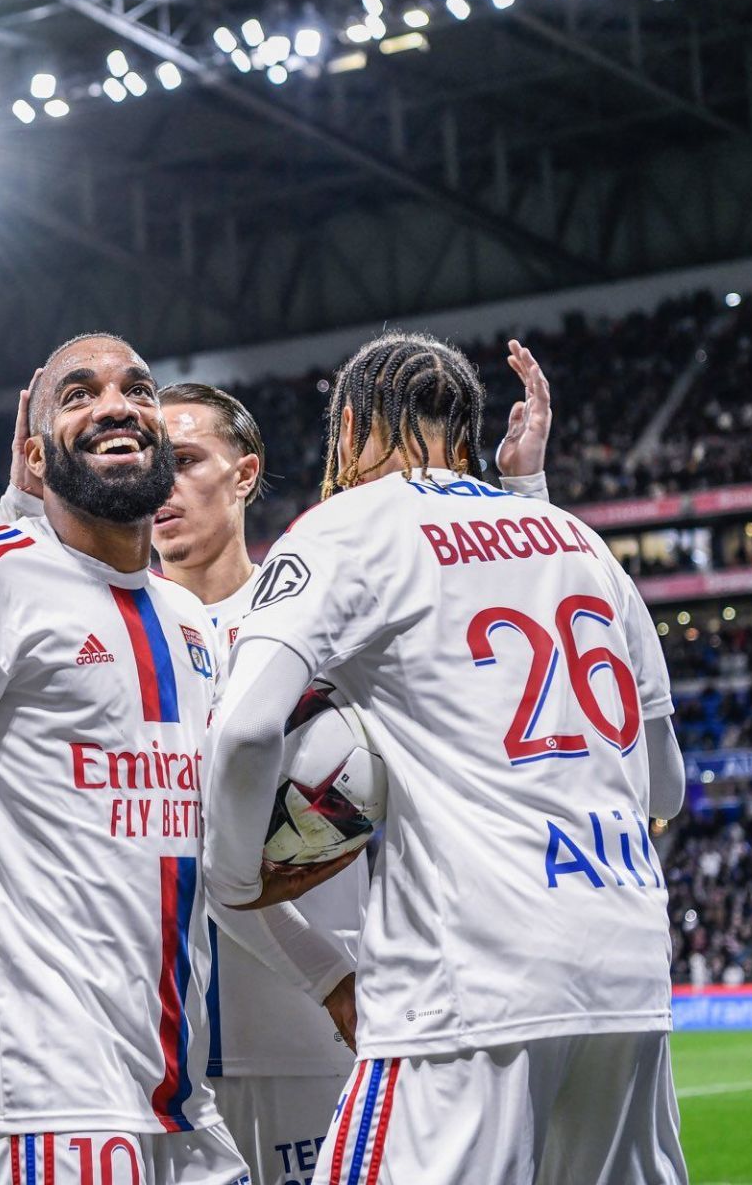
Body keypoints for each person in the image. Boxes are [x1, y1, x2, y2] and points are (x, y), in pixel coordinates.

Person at [202, 332, 689, 1185]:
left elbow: (244, 732)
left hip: (469, 985)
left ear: (349, 426)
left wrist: (235, 878)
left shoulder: (350, 526)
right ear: (466, 435)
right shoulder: (576, 538)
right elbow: (666, 787)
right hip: (630, 972)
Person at [0, 333, 351, 1185]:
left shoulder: (188, 624)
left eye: (136, 388)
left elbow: (214, 859)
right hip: (44, 1109)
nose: (115, 403)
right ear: (35, 457)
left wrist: (333, 978)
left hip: (181, 1104)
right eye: (78, 393)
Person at [146, 349, 551, 1185]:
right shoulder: (122, 639)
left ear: (246, 472)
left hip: (323, 1034)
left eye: (185, 462)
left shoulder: (325, 611)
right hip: (157, 1053)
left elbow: (506, 673)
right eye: (152, 465)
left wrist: (520, 498)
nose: (162, 487)